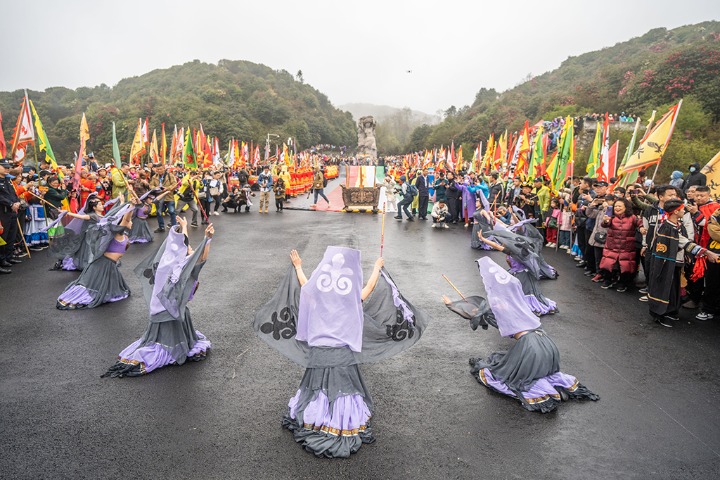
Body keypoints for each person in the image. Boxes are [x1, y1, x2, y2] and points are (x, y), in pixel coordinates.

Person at [253, 246, 427, 458]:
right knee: (343, 387)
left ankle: (316, 419)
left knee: (317, 386)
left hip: (319, 353)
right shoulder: (351, 300)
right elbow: (370, 287)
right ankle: (340, 422)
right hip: (343, 354)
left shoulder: (317, 298)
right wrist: (376, 267)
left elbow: (306, 286)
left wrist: (298, 267)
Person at [443, 257, 599, 413]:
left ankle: (548, 393)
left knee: (502, 374)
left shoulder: (497, 307)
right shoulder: (519, 301)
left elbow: (473, 314)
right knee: (539, 372)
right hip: (547, 344)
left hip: (530, 349)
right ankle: (557, 387)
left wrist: (451, 305)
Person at [103, 217, 214, 377]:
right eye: (188, 248)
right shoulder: (179, 268)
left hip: (166, 310)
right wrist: (207, 239)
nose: (190, 248)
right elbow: (200, 257)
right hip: (171, 312)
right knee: (168, 346)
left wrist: (185, 227)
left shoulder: (169, 263)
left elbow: (186, 248)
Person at [646, 199, 718, 327]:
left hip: (676, 263)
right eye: (682, 209)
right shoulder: (667, 228)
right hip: (665, 265)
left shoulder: (677, 225)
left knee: (673, 288)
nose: (684, 211)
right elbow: (684, 243)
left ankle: (670, 311)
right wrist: (707, 252)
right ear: (676, 211)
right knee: (664, 288)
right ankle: (659, 314)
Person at [57, 206, 134, 309]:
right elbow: (126, 219)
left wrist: (124, 202)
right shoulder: (118, 233)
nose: (131, 222)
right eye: (130, 221)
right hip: (103, 264)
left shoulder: (124, 235)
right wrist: (132, 207)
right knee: (91, 289)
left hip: (110, 265)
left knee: (115, 291)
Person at [477, 228, 558, 315]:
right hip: (517, 274)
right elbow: (499, 248)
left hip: (525, 276)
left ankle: (535, 307)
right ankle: (526, 306)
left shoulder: (516, 253)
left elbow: (496, 246)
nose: (502, 244)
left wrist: (483, 239)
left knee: (527, 292)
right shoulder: (510, 252)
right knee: (519, 292)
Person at [599, 198, 643, 292]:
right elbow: (604, 225)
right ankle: (608, 280)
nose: (617, 208)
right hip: (612, 245)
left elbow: (640, 223)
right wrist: (606, 221)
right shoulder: (611, 216)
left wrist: (642, 228)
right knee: (608, 264)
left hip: (626, 246)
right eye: (616, 206)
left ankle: (622, 283)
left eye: (620, 206)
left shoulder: (632, 217)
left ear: (626, 207)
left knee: (625, 266)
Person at [0, 159, 22, 273]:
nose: (7, 168)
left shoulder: (8, 180)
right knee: (2, 237)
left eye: (8, 167)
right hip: (3, 212)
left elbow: (13, 194)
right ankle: (1, 260)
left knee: (11, 235)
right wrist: (10, 204)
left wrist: (17, 202)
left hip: (12, 211)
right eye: (4, 167)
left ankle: (8, 257)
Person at [149, 163, 178, 233]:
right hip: (159, 196)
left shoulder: (170, 175)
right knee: (158, 212)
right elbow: (151, 185)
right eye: (158, 169)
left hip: (169, 196)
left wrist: (167, 189)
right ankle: (161, 227)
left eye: (160, 169)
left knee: (172, 211)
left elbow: (175, 184)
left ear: (164, 168)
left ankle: (175, 227)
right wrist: (156, 188)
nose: (159, 170)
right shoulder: (154, 177)